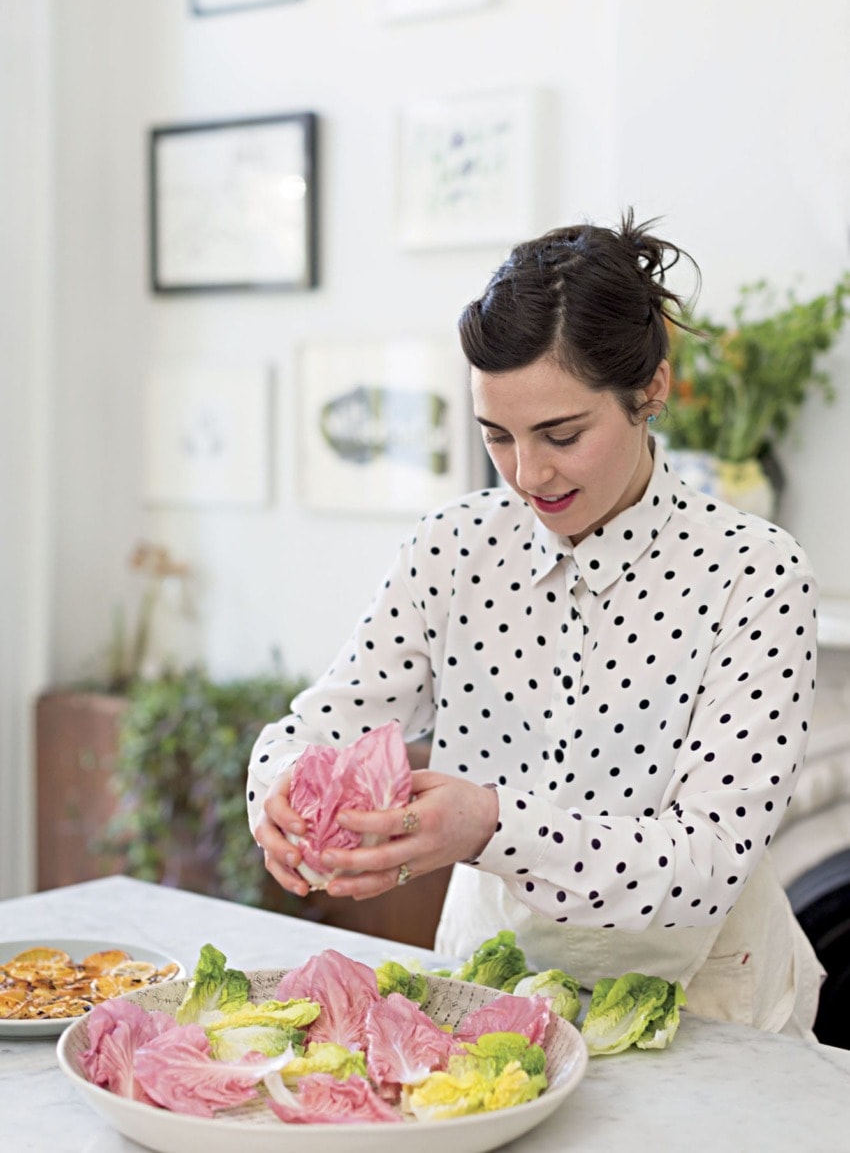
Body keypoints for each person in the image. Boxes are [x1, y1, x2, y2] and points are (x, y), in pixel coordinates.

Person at [248, 211, 824, 1038]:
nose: (529, 473)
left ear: (651, 388)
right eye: (498, 436)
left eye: (563, 433)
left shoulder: (755, 571)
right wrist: (278, 788)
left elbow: (706, 863)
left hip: (710, 1004)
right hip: (492, 995)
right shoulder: (451, 547)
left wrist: (489, 821)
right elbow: (318, 724)